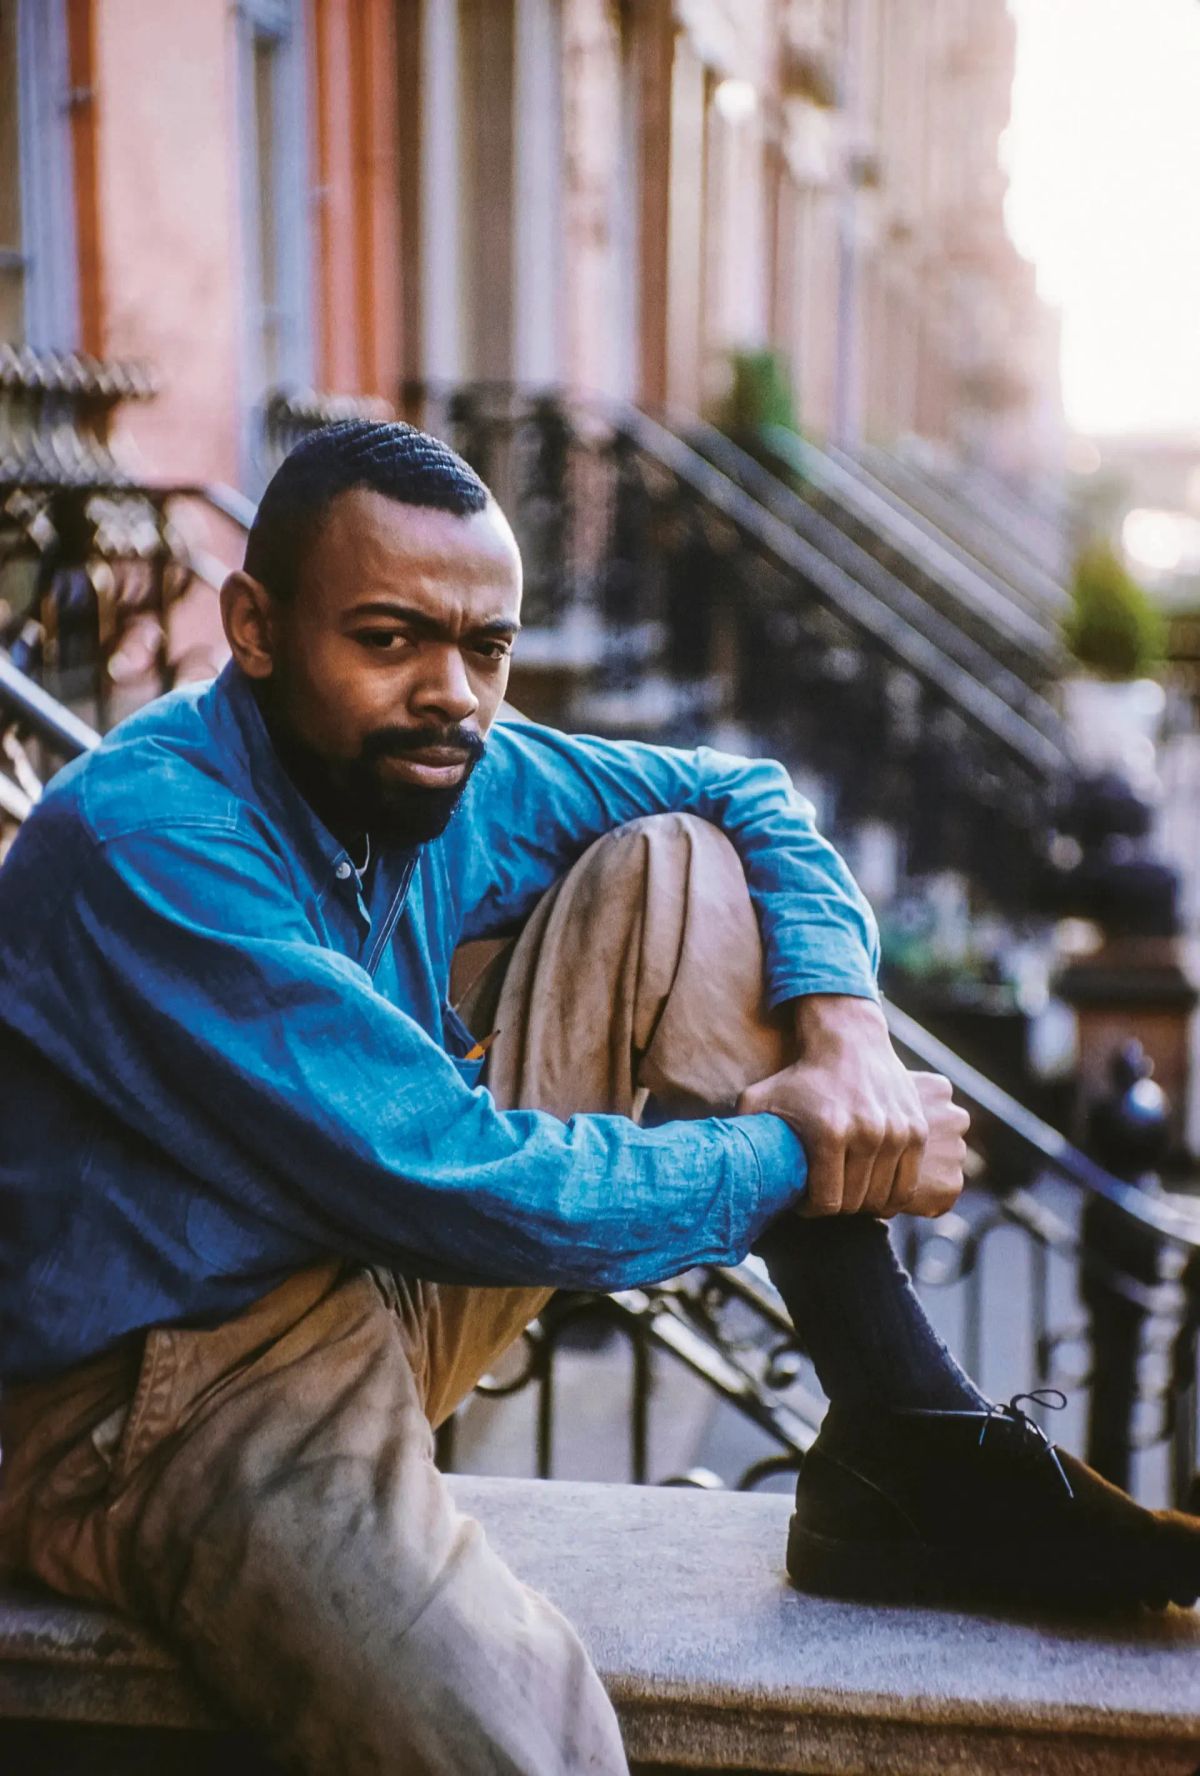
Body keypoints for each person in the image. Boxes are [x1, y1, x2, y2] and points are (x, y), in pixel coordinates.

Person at [0, 421, 1196, 1776]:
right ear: (257, 629)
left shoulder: (446, 759)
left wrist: (851, 1041)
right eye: (389, 638)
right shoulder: (145, 840)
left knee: (676, 861)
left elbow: (747, 793)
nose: (452, 692)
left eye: (486, 649)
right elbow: (461, 1180)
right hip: (168, 1400)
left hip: (369, 1277)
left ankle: (902, 1433)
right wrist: (795, 1151)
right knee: (517, 1736)